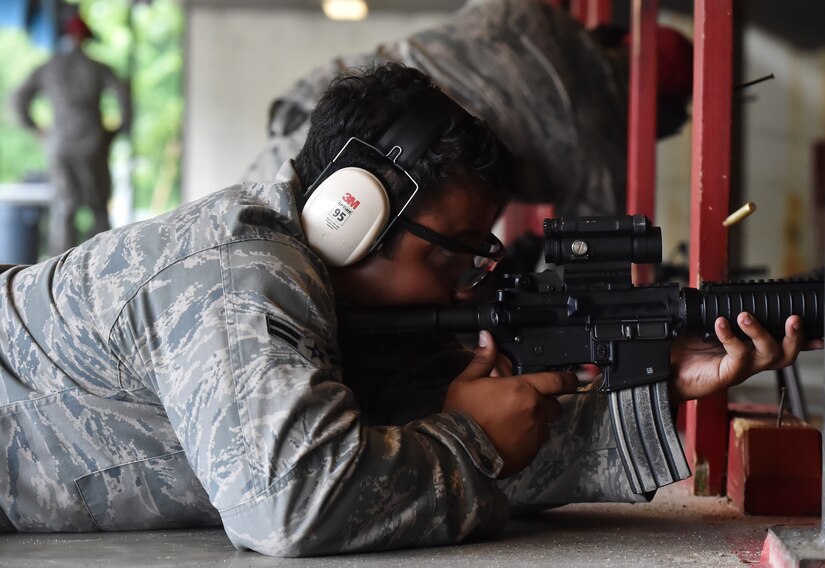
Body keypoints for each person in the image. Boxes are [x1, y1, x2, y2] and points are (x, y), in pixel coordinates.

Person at [0, 63, 816, 557]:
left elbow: (413, 461)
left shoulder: (333, 306)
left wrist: (660, 385)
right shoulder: (239, 275)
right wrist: (468, 437)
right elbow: (292, 504)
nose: (469, 282)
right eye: (454, 252)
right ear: (349, 215)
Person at [245, 0, 694, 218]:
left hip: (317, 109)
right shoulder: (600, 151)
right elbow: (587, 268)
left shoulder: (527, 9)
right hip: (370, 191)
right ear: (655, 110)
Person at [13, 14, 132, 256]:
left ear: (66, 36)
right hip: (93, 143)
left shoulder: (49, 66)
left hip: (60, 143)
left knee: (64, 209)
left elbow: (18, 98)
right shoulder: (99, 68)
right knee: (98, 208)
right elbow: (124, 99)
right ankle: (102, 263)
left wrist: (35, 128)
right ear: (86, 38)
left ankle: (59, 271)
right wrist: (115, 131)